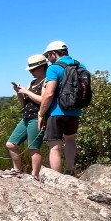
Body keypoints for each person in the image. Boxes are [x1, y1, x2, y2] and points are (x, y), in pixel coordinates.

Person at [37, 40, 85, 176]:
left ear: (53, 53)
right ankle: (70, 171)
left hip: (56, 111)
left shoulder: (54, 68)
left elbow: (49, 93)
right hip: (75, 110)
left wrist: (41, 113)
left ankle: (56, 178)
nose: (48, 59)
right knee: (70, 139)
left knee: (54, 146)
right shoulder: (81, 65)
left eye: (47, 56)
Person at [5, 54, 47, 179]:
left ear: (42, 67)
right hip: (26, 117)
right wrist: (18, 92)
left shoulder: (46, 81)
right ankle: (17, 170)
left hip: (36, 118)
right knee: (11, 144)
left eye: (33, 69)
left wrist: (27, 91)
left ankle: (35, 175)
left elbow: (43, 100)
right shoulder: (33, 82)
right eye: (30, 70)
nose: (31, 72)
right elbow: (24, 102)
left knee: (33, 148)